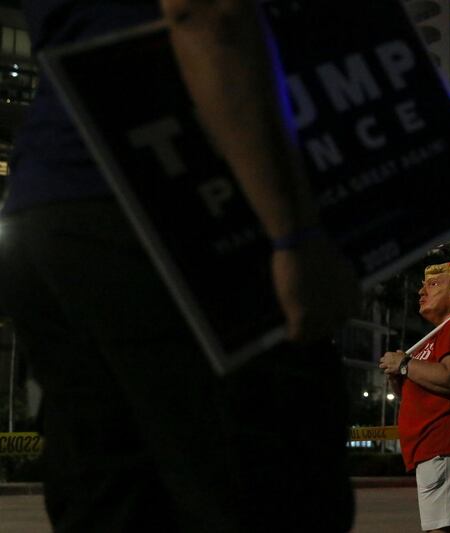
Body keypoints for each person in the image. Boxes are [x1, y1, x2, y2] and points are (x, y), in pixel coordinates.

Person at [0, 0, 358, 531]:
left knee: (111, 500)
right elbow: (205, 13)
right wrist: (295, 233)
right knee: (272, 490)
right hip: (175, 202)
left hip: (48, 206)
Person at [379, 262, 450, 533]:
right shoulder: (443, 332)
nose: (421, 291)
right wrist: (402, 378)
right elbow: (430, 387)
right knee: (448, 527)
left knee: (441, 529)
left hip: (444, 441)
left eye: (433, 284)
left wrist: (405, 365)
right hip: (439, 444)